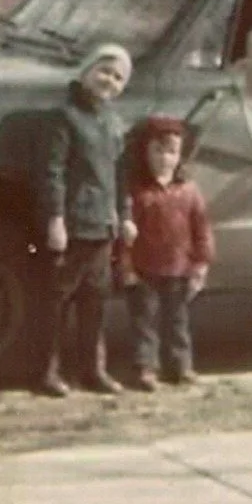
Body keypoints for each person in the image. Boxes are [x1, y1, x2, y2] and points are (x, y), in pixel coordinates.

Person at [34, 43, 139, 398]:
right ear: (86, 71)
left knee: (95, 300)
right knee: (58, 299)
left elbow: (120, 175)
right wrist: (55, 220)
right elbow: (52, 172)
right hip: (74, 224)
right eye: (104, 71)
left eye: (118, 76)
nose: (109, 80)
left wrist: (124, 216)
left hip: (103, 225)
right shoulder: (64, 118)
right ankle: (46, 372)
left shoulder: (114, 122)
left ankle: (93, 370)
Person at [118, 115, 215, 391]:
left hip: (179, 268)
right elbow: (124, 236)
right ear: (145, 153)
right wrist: (125, 267)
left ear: (180, 155)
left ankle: (180, 366)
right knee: (144, 322)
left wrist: (201, 264)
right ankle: (145, 368)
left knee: (177, 320)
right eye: (158, 151)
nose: (164, 158)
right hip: (143, 268)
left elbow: (202, 228)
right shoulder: (136, 192)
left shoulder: (188, 190)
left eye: (171, 152)